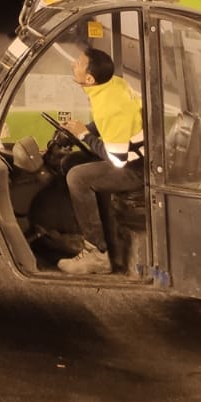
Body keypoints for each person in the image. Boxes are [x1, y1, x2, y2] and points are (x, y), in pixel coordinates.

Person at [57, 45, 145, 276]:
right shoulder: (110, 85)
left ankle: (97, 253)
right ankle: (85, 232)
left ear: (89, 78)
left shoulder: (110, 106)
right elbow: (104, 123)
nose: (73, 64)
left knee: (77, 178)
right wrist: (84, 130)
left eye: (78, 63)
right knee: (70, 162)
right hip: (131, 156)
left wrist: (83, 135)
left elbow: (116, 158)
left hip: (135, 168)